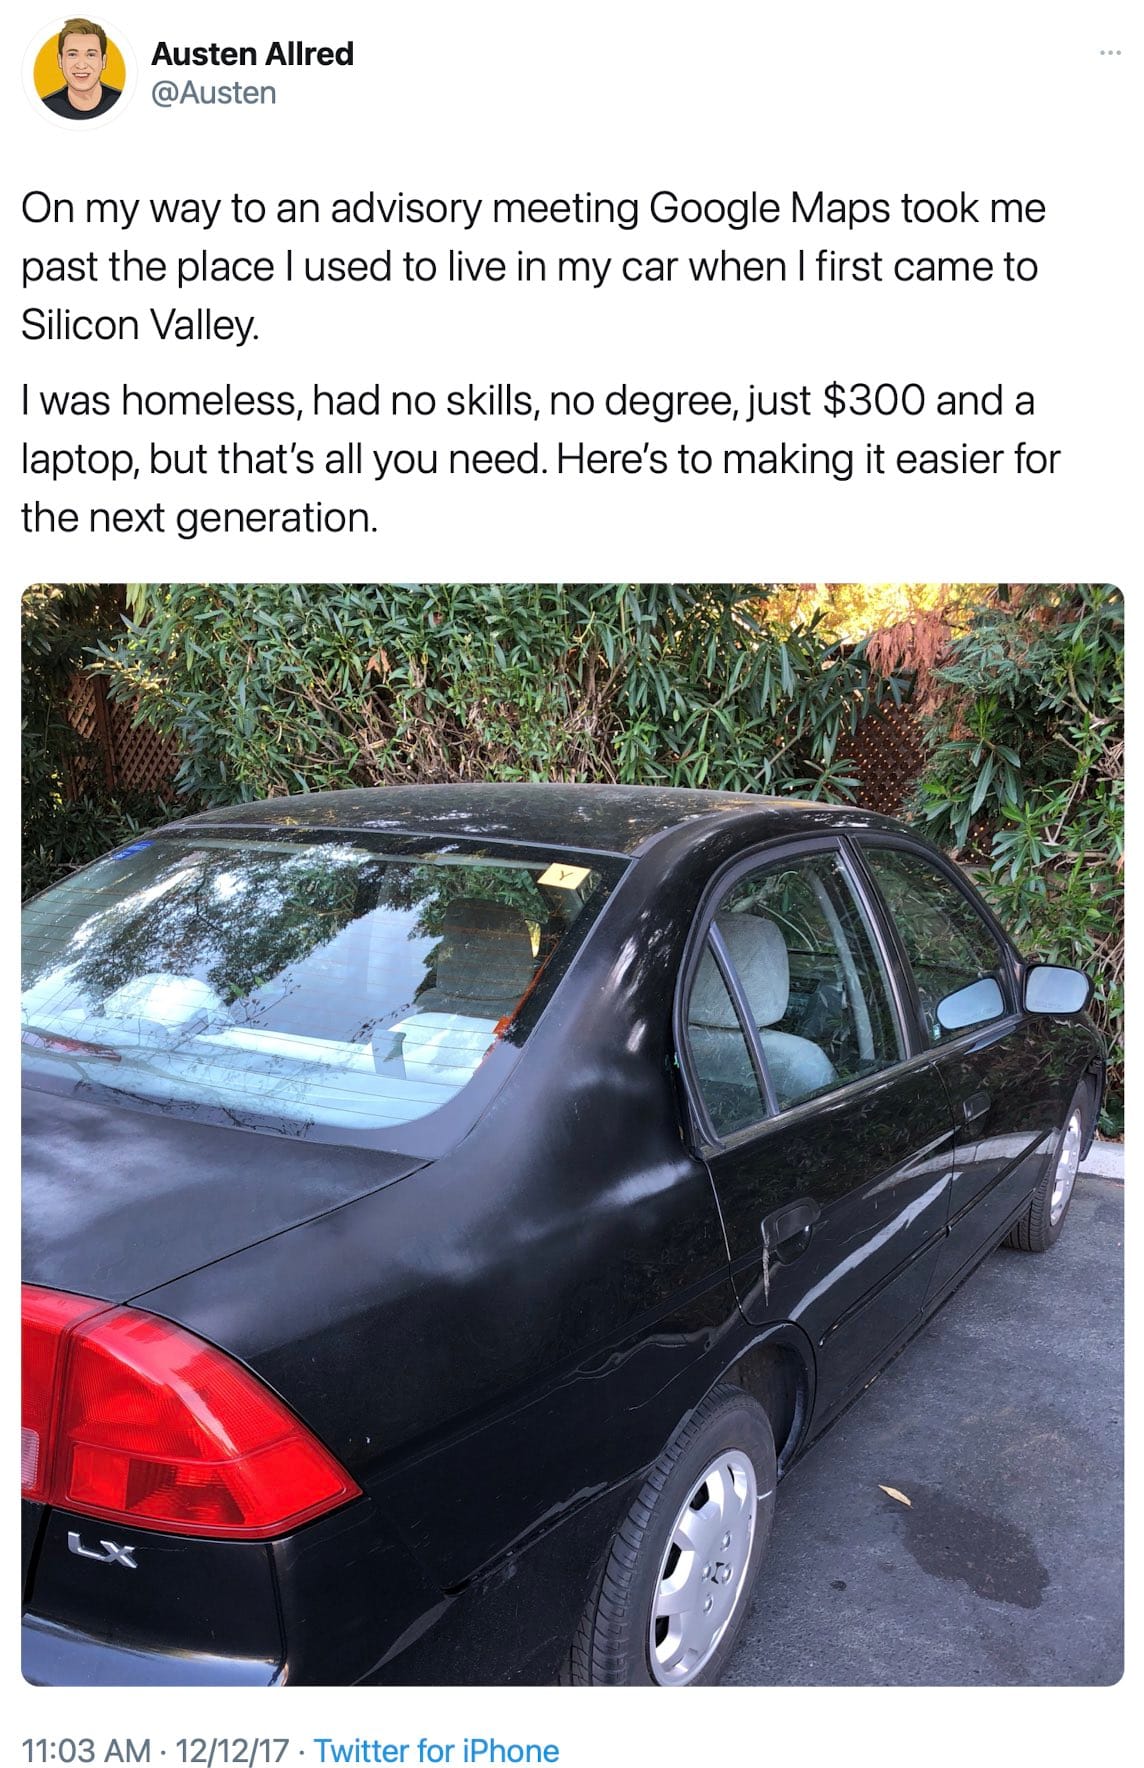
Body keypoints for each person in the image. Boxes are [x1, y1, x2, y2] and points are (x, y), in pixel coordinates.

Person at [42, 18, 121, 117]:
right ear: (60, 60)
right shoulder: (46, 107)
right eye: (72, 55)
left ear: (103, 61)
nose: (81, 65)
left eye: (91, 55)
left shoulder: (121, 102)